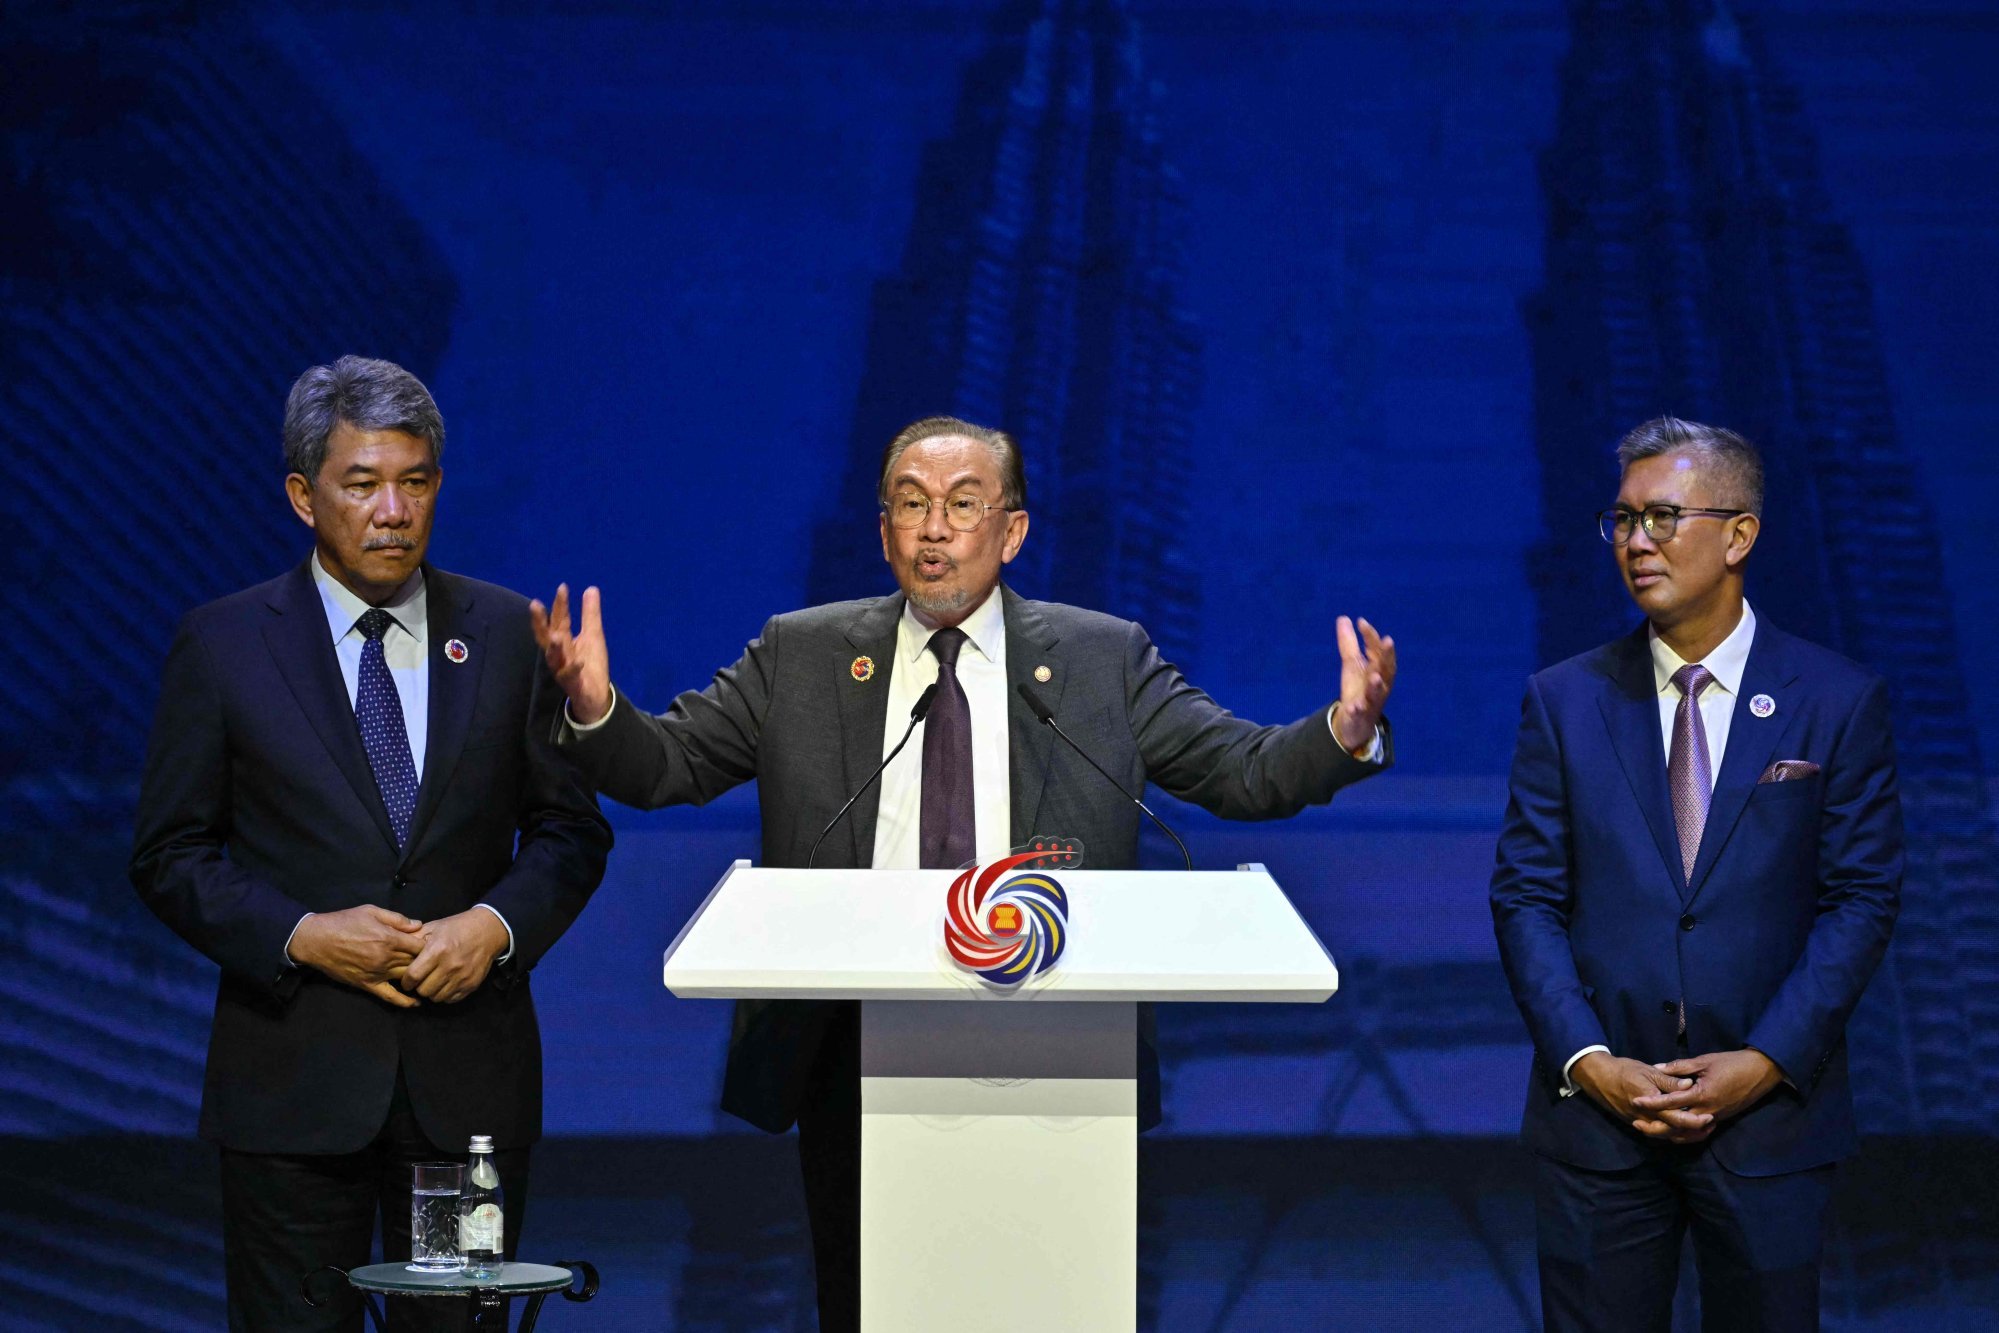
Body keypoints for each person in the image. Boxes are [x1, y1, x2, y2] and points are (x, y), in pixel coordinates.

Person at [529, 414, 1397, 1331]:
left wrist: (1343, 733)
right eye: (910, 505)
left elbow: (1241, 770)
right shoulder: (804, 652)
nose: (933, 528)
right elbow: (668, 764)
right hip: (853, 1052)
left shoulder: (1103, 657)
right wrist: (595, 710)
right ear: (883, 532)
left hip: (1059, 1048)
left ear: (1011, 531)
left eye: (961, 503)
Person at [130, 356, 612, 1332]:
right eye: (362, 483)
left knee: (456, 1327)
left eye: (416, 480)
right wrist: (302, 932)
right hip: (294, 1094)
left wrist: (493, 924)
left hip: (465, 1100)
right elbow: (170, 853)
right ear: (304, 496)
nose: (393, 509)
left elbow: (569, 830)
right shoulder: (223, 644)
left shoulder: (510, 635)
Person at [1490, 416, 1902, 1331]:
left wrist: (1761, 1063)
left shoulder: (1835, 700)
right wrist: (1590, 1062)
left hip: (1768, 1122)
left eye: (1663, 517)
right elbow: (1524, 897)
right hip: (1599, 1125)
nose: (1636, 542)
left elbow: (1860, 899)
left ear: (1739, 533)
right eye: (1623, 520)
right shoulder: (1563, 701)